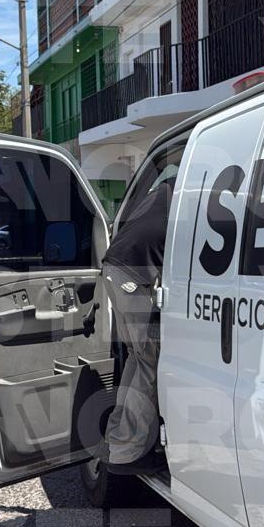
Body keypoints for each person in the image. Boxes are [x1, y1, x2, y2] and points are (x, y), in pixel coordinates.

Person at [100, 179, 173, 475]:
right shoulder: (188, 195)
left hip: (116, 269)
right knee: (150, 363)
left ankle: (118, 439)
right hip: (132, 276)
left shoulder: (164, 190)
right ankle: (129, 452)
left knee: (137, 357)